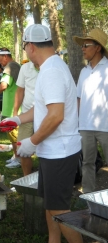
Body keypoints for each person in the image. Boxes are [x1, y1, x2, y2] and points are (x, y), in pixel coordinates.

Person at [0, 24, 83, 243]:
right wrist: (17, 119)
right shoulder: (50, 67)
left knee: (60, 211)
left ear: (31, 46)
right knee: (51, 207)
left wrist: (31, 142)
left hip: (60, 153)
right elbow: (44, 108)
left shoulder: (52, 70)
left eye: (25, 46)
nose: (25, 51)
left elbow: (56, 116)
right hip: (52, 152)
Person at [73, 28, 108, 193]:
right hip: (85, 127)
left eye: (86, 45)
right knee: (87, 163)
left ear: (98, 47)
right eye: (83, 45)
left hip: (106, 127)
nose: (83, 48)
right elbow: (79, 98)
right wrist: (76, 122)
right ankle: (89, 197)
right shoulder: (83, 71)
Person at [9, 60, 39, 174]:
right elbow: (20, 91)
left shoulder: (49, 66)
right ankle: (27, 178)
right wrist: (15, 113)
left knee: (47, 149)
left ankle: (46, 178)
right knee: (21, 148)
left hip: (46, 115)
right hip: (27, 114)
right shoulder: (25, 68)